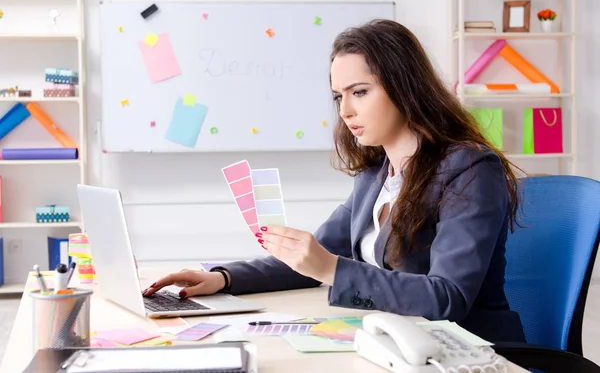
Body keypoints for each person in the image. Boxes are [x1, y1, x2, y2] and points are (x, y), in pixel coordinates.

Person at [143, 19, 526, 343]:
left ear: (405, 87)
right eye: (338, 96)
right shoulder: (375, 176)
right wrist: (222, 278)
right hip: (394, 342)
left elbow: (449, 297)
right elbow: (310, 258)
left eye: (359, 92)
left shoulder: (471, 170)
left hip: (468, 352)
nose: (345, 111)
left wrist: (330, 269)